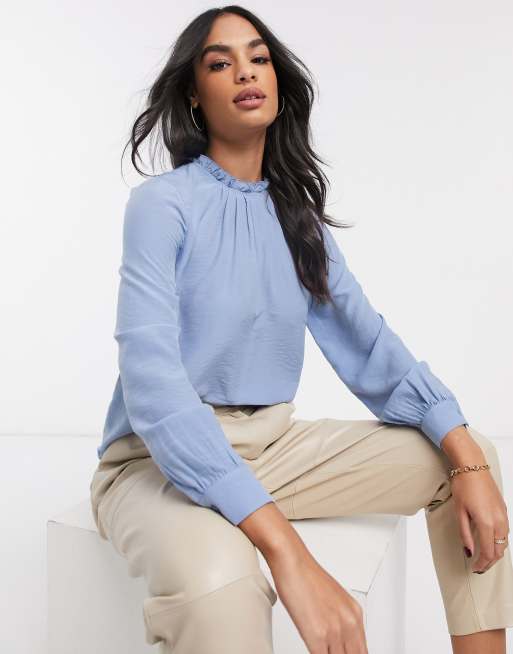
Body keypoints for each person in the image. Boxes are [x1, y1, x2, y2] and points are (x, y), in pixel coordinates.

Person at [90, 6, 513, 653]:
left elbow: (370, 348)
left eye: (258, 58)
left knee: (464, 456)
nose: (245, 72)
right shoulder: (162, 205)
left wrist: (466, 453)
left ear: (278, 82)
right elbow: (154, 388)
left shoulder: (297, 219)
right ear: (193, 95)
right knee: (221, 586)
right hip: (156, 462)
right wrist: (287, 552)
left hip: (270, 447)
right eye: (220, 63)